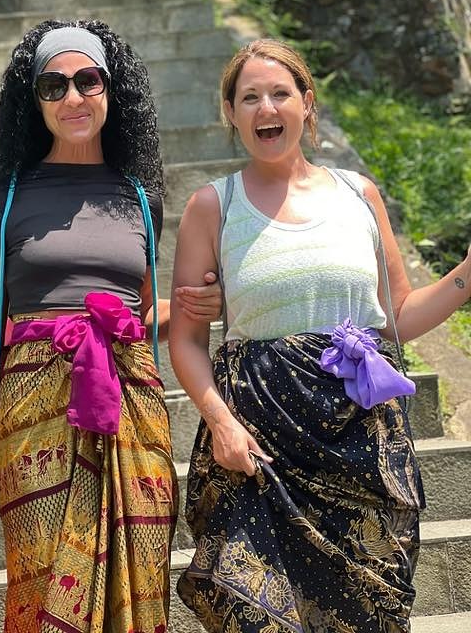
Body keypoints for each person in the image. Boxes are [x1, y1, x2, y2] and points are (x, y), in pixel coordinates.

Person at [0, 18, 222, 632]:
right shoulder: (5, 198)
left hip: (131, 411)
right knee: (43, 593)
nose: (73, 97)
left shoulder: (140, 195)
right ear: (32, 99)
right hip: (35, 415)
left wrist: (195, 310)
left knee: (140, 584)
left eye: (88, 80)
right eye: (53, 85)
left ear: (111, 91)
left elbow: (137, 316)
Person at [169, 38, 471, 633]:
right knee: (261, 615)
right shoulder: (212, 207)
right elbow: (186, 341)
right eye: (249, 97)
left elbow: (399, 316)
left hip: (362, 443)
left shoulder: (361, 195)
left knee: (365, 616)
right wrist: (222, 424)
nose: (265, 108)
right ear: (230, 113)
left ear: (307, 104)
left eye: (280, 93)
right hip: (259, 448)